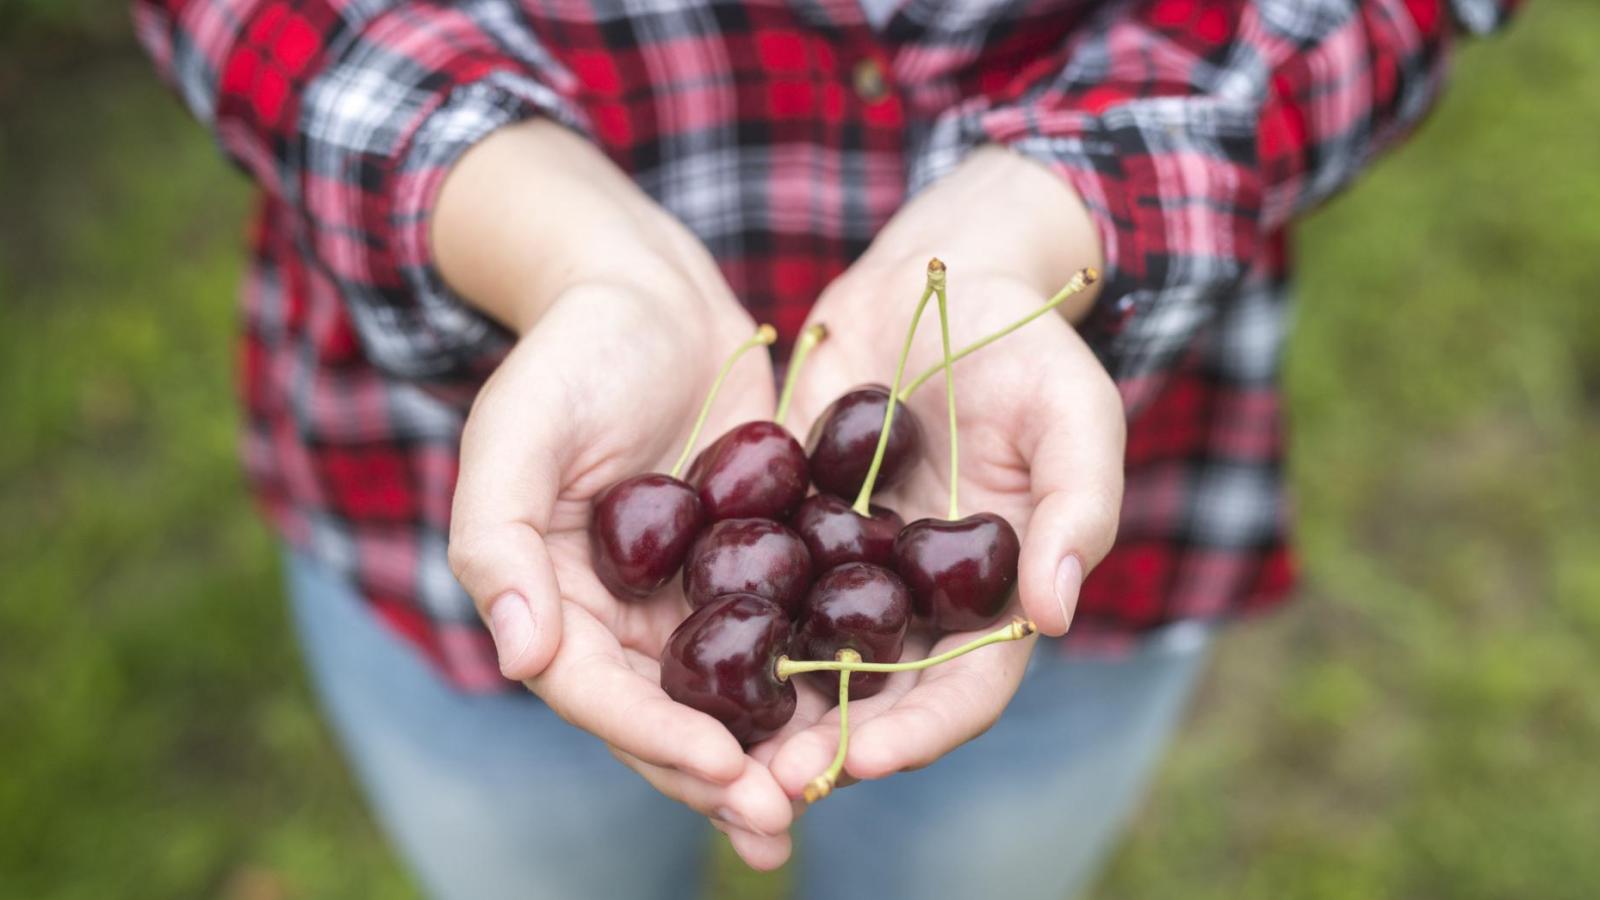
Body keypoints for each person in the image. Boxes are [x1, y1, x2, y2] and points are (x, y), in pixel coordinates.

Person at [133, 0, 1519, 897]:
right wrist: (541, 233)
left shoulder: (872, 537)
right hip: (448, 517)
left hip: (1076, 503)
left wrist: (1053, 211)